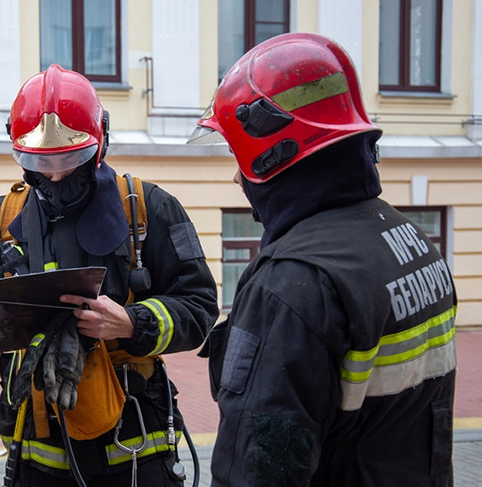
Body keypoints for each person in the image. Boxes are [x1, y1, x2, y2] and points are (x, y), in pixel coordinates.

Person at [0, 64, 219, 486]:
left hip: (136, 445)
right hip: (38, 450)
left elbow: (200, 307)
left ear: (100, 144)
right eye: (40, 162)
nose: (56, 175)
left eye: (70, 159)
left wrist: (133, 323)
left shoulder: (150, 209)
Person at [189, 32, 458, 486]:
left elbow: (259, 469)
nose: (237, 177)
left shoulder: (294, 283)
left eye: (239, 153)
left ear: (274, 150)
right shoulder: (411, 240)